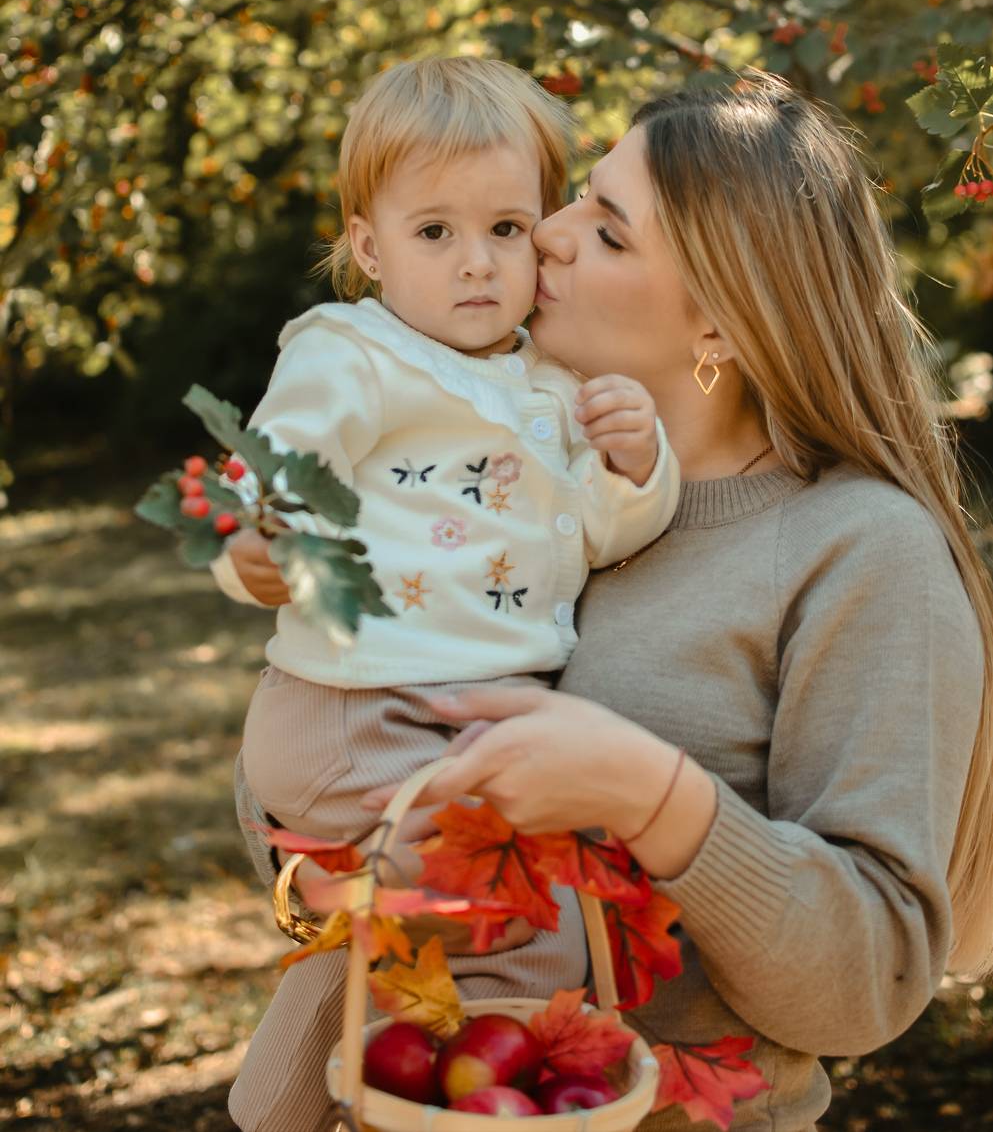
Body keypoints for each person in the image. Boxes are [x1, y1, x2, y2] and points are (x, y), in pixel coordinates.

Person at [230, 75, 993, 1131]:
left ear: (720, 320)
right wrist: (309, 871)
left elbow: (868, 986)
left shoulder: (860, 548)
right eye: (575, 198)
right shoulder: (513, 475)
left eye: (607, 230)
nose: (546, 233)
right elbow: (323, 760)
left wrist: (653, 798)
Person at [211, 57, 681, 1132]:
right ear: (369, 247)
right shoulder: (355, 351)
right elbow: (277, 464)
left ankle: (283, 1102)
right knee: (516, 924)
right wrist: (256, 544)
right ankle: (475, 1099)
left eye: (507, 228)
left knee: (417, 935)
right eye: (434, 232)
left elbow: (599, 532)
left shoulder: (554, 387)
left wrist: (635, 461)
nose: (477, 262)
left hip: (455, 720)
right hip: (360, 706)